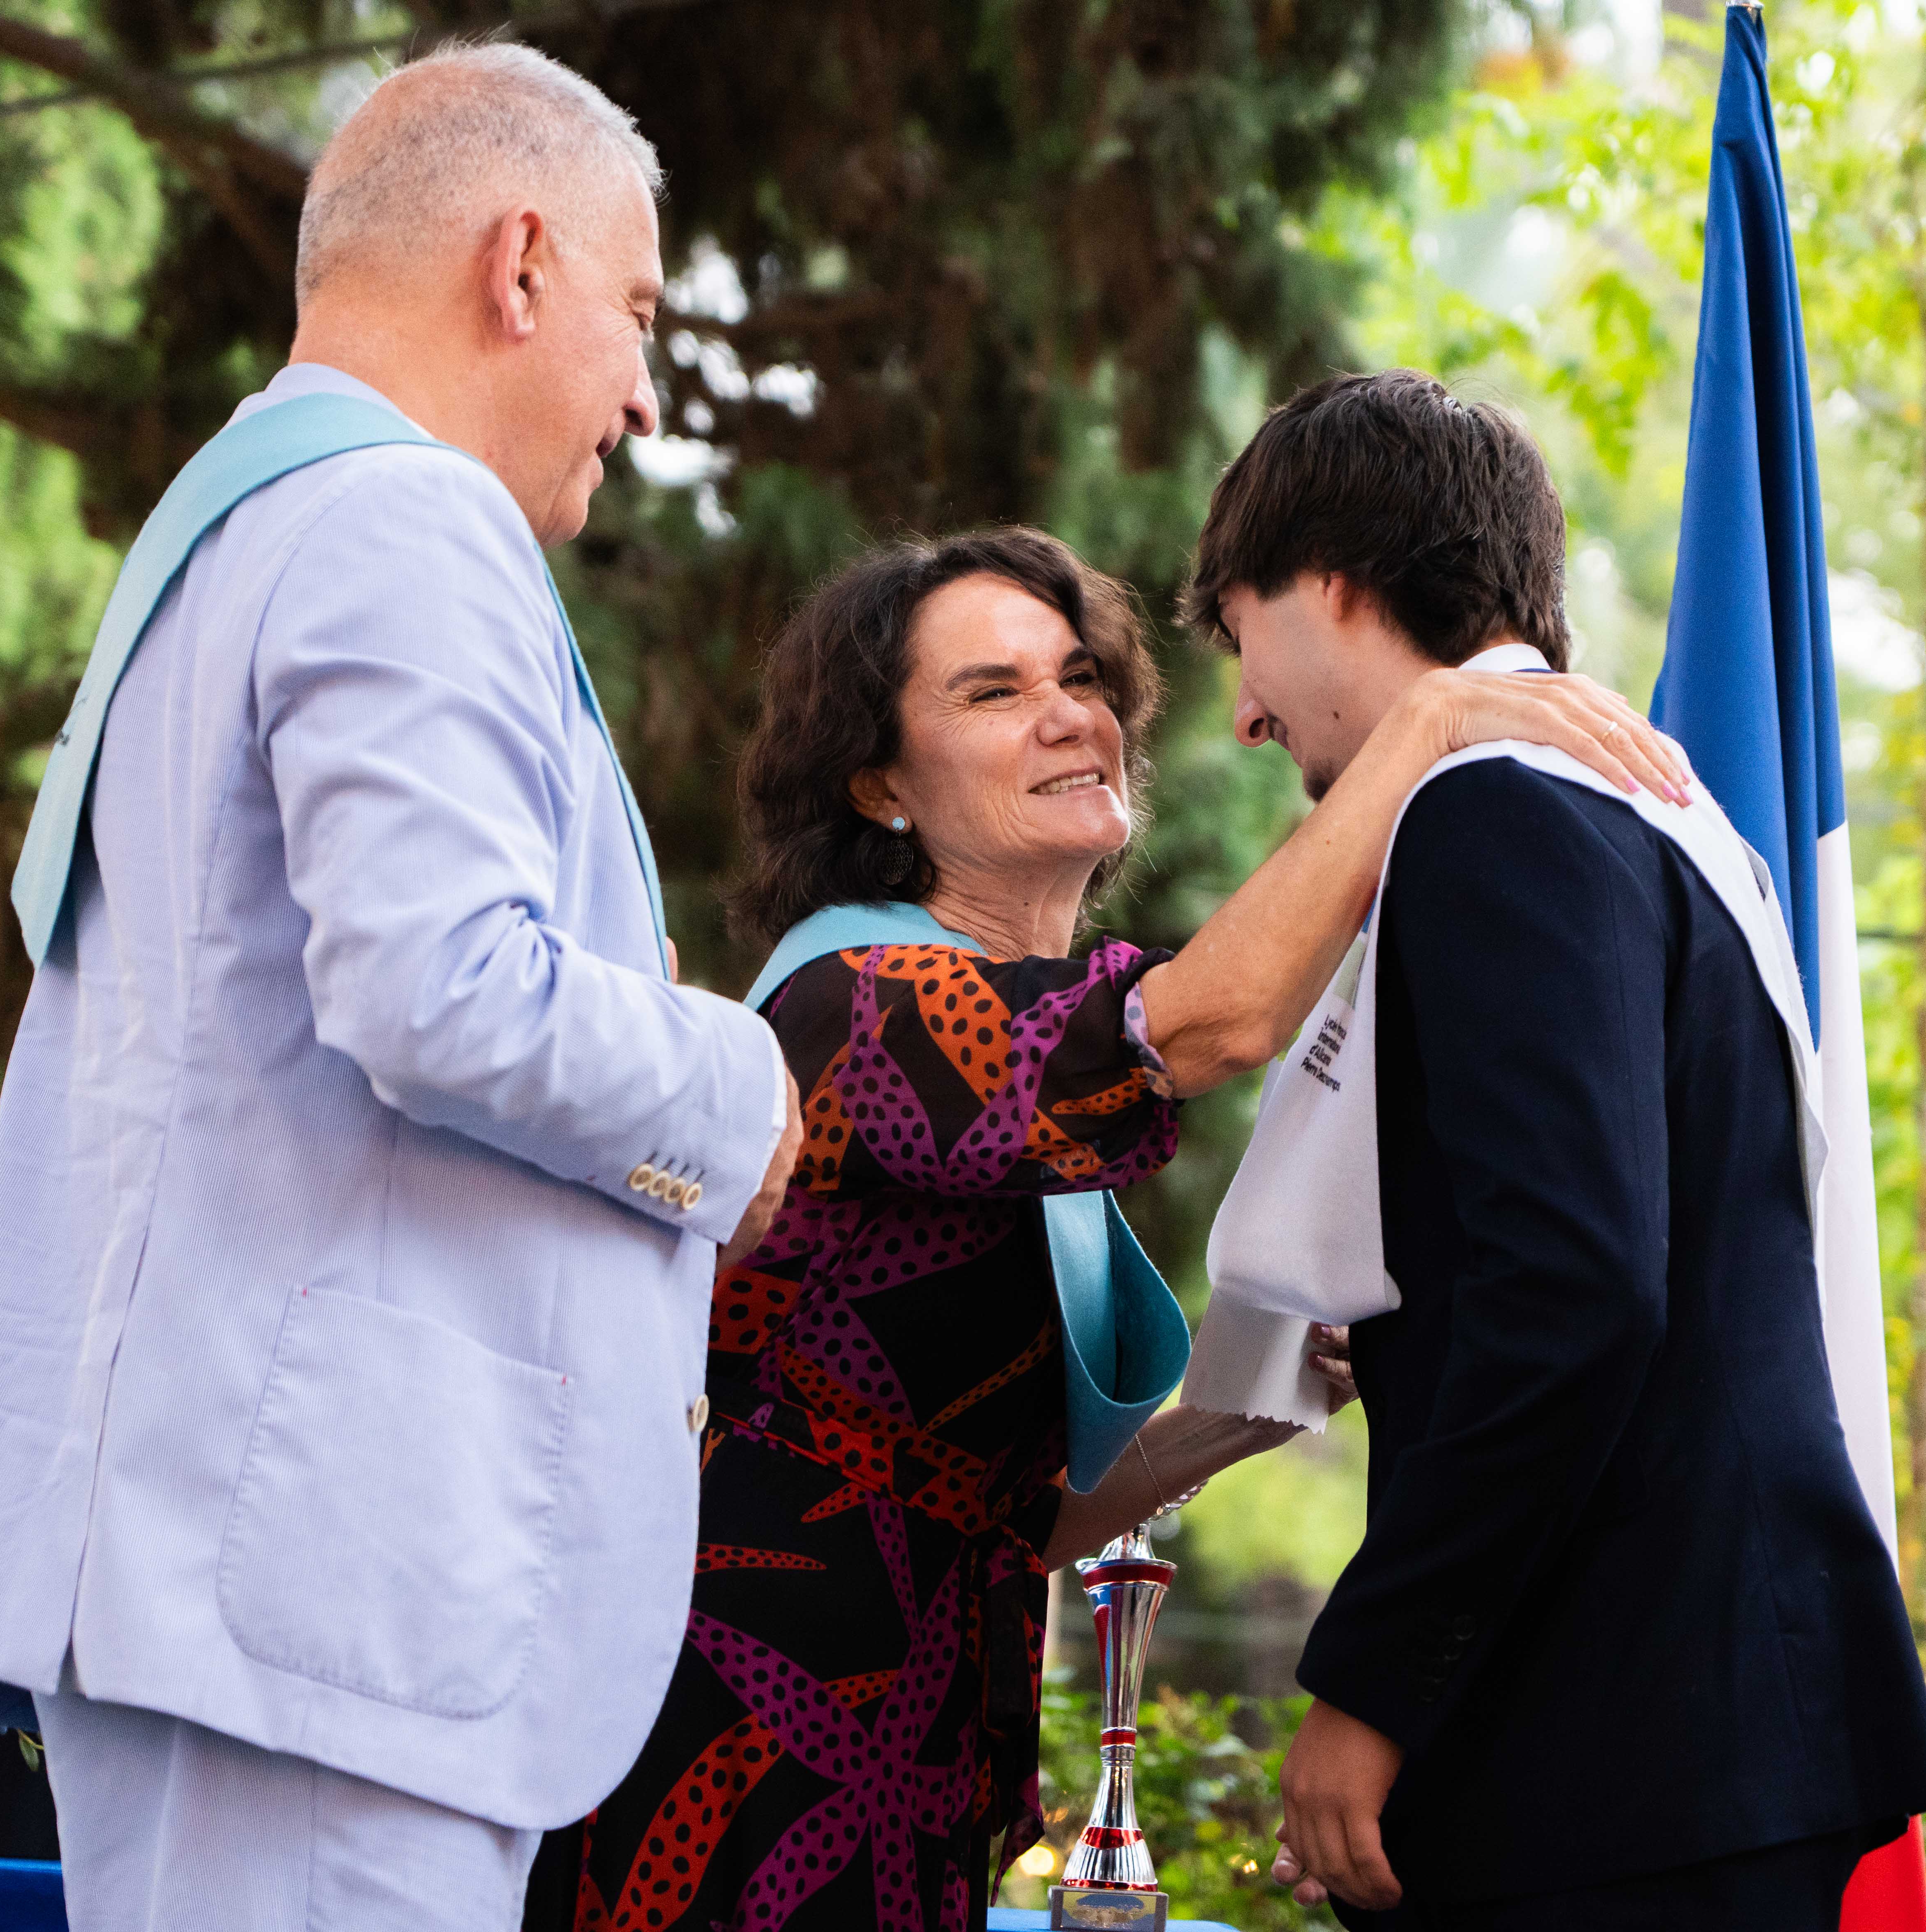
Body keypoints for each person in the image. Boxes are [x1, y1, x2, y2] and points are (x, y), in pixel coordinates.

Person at [0, 45, 803, 1931]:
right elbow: (442, 986)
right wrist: (736, 1089)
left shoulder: (249, 521)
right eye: (633, 311)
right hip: (325, 1601)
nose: (637, 387)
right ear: (518, 263)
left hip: (260, 1576)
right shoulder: (404, 519)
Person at [529, 526, 1692, 1932]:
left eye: (1079, 675)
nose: (1070, 713)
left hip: (917, 1771)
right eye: (992, 691)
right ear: (879, 784)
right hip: (744, 1772)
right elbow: (1212, 1023)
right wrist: (1429, 721)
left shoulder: (1006, 1056)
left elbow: (1025, 1509)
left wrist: (1254, 1406)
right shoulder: (865, 1011)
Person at [1188, 373, 1926, 1931]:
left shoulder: (1492, 813)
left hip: (1625, 1743)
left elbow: (1583, 1287)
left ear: (1332, 586)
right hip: (1705, 1722)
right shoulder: (1640, 808)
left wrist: (1373, 1682)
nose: (1249, 710)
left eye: (1240, 628)